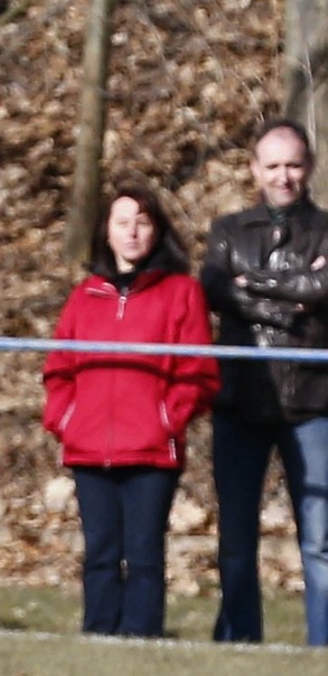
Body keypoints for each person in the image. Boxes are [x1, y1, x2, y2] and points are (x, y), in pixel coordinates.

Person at [43, 186, 218, 637]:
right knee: (100, 551)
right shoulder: (85, 295)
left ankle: (143, 637)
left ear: (157, 230)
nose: (132, 232)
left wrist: (166, 420)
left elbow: (198, 371)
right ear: (106, 231)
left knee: (143, 554)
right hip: (88, 449)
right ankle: (99, 634)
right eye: (122, 222)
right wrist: (65, 420)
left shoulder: (181, 292)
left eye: (142, 222)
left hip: (151, 451)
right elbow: (59, 368)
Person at [203, 118, 328, 646]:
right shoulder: (228, 230)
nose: (284, 176)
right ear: (255, 169)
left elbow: (322, 290)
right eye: (273, 165)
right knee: (235, 536)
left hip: (313, 403)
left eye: (294, 165)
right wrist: (293, 299)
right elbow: (213, 289)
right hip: (240, 401)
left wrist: (251, 283)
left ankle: (322, 643)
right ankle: (239, 641)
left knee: (320, 540)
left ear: (310, 168)